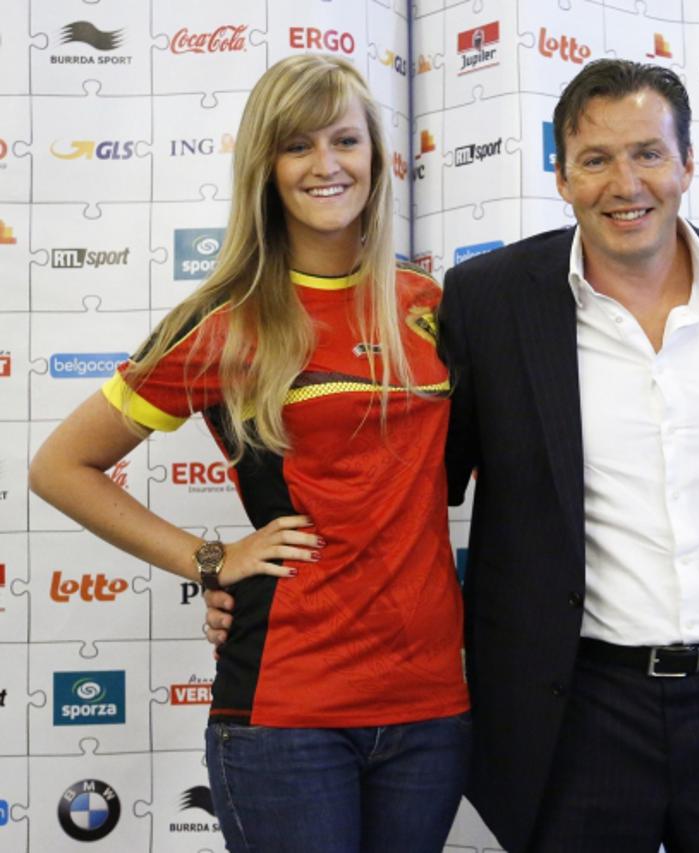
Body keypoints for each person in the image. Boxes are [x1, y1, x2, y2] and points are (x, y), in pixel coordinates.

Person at [30, 54, 469, 853]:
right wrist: (209, 558)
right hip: (285, 711)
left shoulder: (432, 305)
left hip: (430, 704)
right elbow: (60, 466)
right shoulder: (222, 321)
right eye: (298, 145)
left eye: (345, 139)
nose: (327, 165)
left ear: (377, 154)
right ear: (265, 166)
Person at [443, 58, 699, 851]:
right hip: (575, 708)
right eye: (595, 159)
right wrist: (261, 588)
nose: (625, 183)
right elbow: (419, 486)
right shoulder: (487, 300)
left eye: (648, 152)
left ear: (687, 164)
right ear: (562, 176)